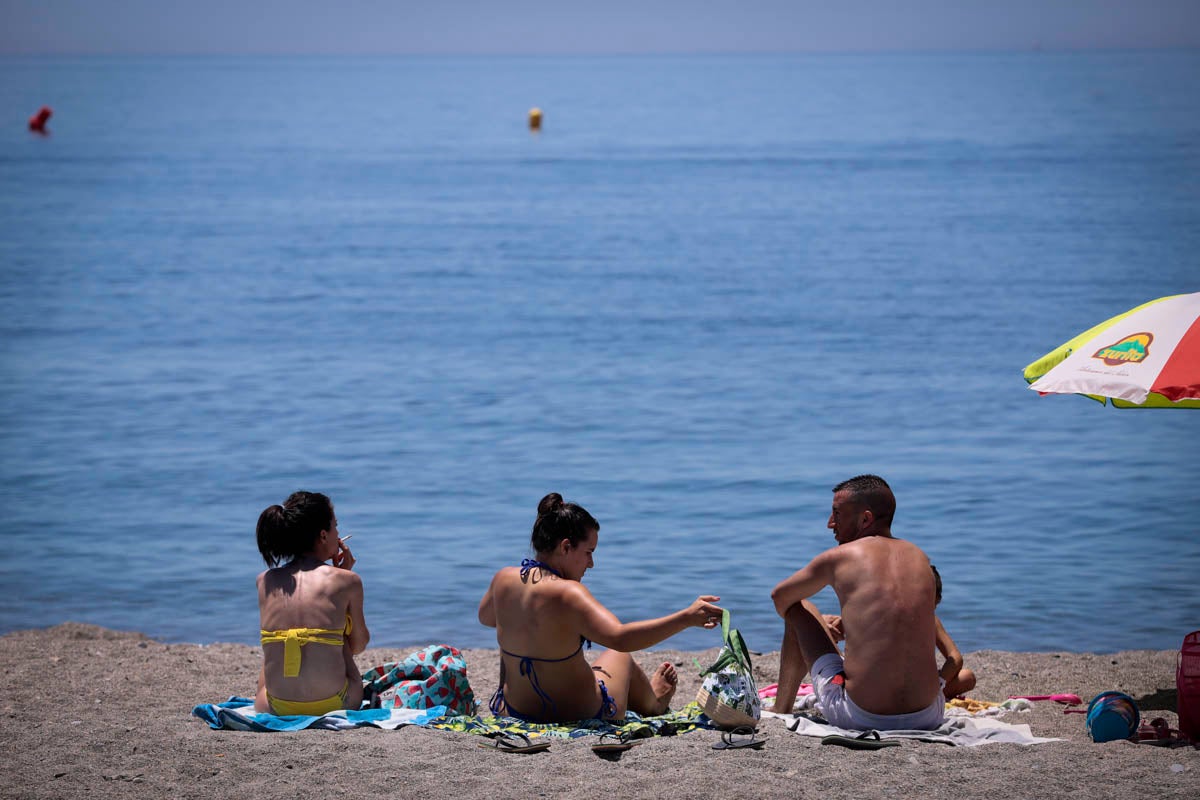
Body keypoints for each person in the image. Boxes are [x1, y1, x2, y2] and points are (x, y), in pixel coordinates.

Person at [478, 493, 724, 723]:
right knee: (619, 656)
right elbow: (620, 638)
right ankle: (655, 703)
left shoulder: (503, 579)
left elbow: (487, 618)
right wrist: (686, 618)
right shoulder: (568, 593)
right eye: (588, 552)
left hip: (514, 710)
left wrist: (530, 627)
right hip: (580, 712)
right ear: (565, 547)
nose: (591, 564)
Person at [769, 475, 944, 730]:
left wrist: (818, 631)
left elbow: (780, 598)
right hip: (928, 714)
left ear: (865, 519)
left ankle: (780, 707)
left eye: (837, 514)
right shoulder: (920, 558)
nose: (830, 524)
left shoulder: (841, 557)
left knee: (799, 606)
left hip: (863, 715)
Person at [254, 491, 369, 715]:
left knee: (277, 639)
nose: (339, 534)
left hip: (273, 706)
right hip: (336, 702)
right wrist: (341, 585)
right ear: (324, 536)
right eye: (336, 526)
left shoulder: (264, 580)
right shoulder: (347, 581)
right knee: (338, 636)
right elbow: (358, 645)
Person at [821, 565, 977, 702]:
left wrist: (939, 682)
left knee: (966, 677)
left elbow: (955, 658)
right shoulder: (886, 613)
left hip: (911, 685)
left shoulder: (930, 620)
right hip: (882, 682)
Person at [931, 565, 977, 700]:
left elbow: (956, 658)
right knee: (967, 677)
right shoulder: (930, 620)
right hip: (919, 688)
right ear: (937, 598)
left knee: (967, 677)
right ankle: (933, 694)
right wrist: (939, 683)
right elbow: (955, 658)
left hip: (889, 685)